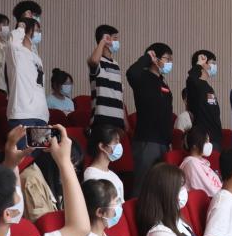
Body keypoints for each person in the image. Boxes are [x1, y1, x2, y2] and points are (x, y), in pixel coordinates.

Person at [136, 163, 219, 236]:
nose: (184, 190)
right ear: (166, 192)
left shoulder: (178, 220)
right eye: (180, 186)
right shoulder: (158, 233)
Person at [126, 43, 175, 196]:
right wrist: (146, 58)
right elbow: (131, 72)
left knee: (159, 186)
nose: (169, 63)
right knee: (143, 184)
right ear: (156, 59)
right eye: (167, 59)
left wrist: (169, 140)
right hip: (147, 140)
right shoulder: (142, 78)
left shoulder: (163, 82)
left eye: (171, 60)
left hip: (163, 141)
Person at [5, 17, 48, 136]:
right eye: (37, 30)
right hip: (22, 113)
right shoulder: (16, 53)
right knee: (22, 148)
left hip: (41, 114)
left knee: (39, 148)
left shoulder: (36, 57)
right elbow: (13, 43)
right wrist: (21, 27)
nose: (39, 33)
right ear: (27, 31)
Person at [87, 24, 126, 129]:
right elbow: (93, 61)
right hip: (102, 119)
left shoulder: (116, 64)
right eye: (115, 38)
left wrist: (124, 119)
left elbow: (120, 94)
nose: (117, 42)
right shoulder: (98, 61)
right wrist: (103, 42)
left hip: (118, 119)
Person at [186, 50, 222, 152]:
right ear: (203, 64)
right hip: (203, 138)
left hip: (215, 137)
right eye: (212, 63)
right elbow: (191, 78)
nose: (214, 66)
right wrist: (198, 65)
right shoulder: (194, 83)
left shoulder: (208, 87)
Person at [84, 123, 126, 202]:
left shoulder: (114, 176)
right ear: (102, 146)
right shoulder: (91, 176)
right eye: (116, 142)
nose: (119, 146)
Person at [178, 126, 221, 197]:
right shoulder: (192, 164)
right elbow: (208, 190)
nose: (209, 144)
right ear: (194, 146)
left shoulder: (200, 161)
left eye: (209, 141)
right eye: (206, 141)